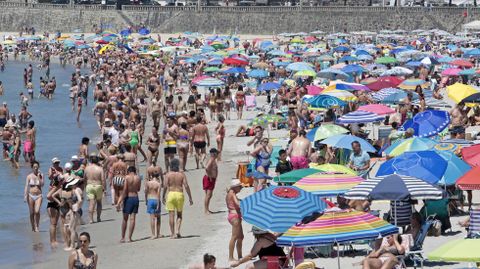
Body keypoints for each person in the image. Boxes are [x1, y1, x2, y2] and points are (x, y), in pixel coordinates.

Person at [163, 158, 193, 239]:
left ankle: (172, 234)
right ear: (178, 165)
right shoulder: (182, 174)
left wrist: (163, 196)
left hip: (171, 194)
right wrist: (190, 197)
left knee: (171, 215)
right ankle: (177, 231)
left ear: (171, 166)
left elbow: (165, 186)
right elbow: (186, 186)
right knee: (179, 215)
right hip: (179, 194)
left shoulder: (168, 174)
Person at [117, 166, 141, 243]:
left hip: (128, 198)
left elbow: (124, 191)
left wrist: (119, 201)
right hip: (135, 198)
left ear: (128, 171)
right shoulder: (138, 178)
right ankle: (130, 238)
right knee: (132, 219)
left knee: (125, 219)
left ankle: (123, 237)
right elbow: (138, 189)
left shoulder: (126, 178)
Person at [84, 153, 106, 224]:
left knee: (91, 202)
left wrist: (85, 186)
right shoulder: (100, 169)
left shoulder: (86, 168)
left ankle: (91, 219)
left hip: (89, 186)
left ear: (90, 161)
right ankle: (98, 217)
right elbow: (103, 179)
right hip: (98, 185)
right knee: (99, 202)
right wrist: (104, 188)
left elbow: (84, 178)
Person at [47, 157, 63, 248]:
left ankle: (55, 240)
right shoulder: (51, 169)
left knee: (56, 222)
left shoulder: (61, 169)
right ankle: (52, 241)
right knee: (53, 223)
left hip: (58, 197)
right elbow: (50, 177)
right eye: (55, 163)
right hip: (53, 199)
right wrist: (54, 174)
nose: (57, 164)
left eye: (58, 162)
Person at [226, 180, 244, 262]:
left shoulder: (230, 192)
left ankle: (240, 256)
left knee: (240, 236)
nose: (241, 188)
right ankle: (230, 257)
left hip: (233, 216)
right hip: (235, 217)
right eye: (240, 186)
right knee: (234, 237)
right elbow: (237, 203)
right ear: (235, 187)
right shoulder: (232, 193)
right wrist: (243, 205)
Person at [24, 160, 44, 232]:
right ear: (32, 167)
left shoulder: (41, 175)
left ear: (38, 167)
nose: (35, 168)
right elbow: (26, 186)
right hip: (30, 195)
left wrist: (39, 177)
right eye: (34, 167)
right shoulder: (29, 176)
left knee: (37, 211)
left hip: (39, 195)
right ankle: (32, 226)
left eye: (37, 167)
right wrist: (25, 195)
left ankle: (37, 226)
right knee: (31, 212)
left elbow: (42, 184)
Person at [145, 172, 162, 239]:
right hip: (156, 199)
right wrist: (158, 203)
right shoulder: (158, 184)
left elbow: (146, 192)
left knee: (152, 218)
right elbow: (158, 194)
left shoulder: (148, 183)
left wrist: (146, 200)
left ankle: (153, 234)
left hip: (150, 199)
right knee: (158, 217)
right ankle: (158, 233)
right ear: (158, 177)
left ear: (151, 176)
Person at [204, 148, 219, 214]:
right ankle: (206, 210)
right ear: (214, 154)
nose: (218, 155)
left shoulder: (212, 159)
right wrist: (210, 177)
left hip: (210, 179)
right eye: (217, 154)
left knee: (209, 195)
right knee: (208, 195)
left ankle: (207, 209)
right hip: (209, 179)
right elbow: (207, 168)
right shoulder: (212, 159)